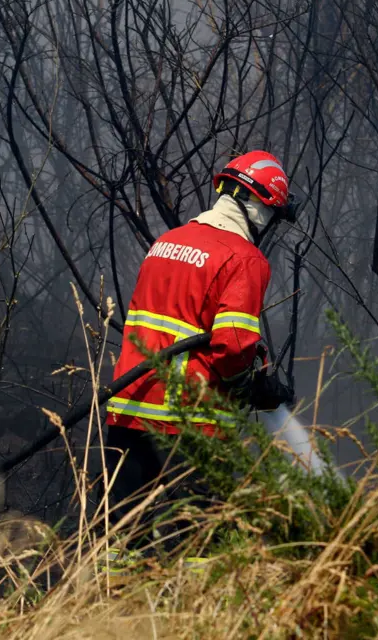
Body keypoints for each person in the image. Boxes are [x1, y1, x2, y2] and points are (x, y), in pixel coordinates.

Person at [102, 150, 299, 561]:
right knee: (204, 548)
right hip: (188, 425)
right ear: (262, 207)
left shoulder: (166, 242)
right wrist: (255, 387)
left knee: (121, 544)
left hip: (128, 409)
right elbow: (232, 349)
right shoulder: (244, 258)